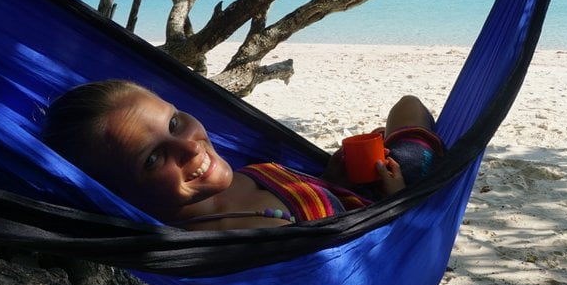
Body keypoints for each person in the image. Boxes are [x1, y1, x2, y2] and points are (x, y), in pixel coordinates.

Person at [41, 80, 444, 230]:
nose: (190, 146)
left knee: (406, 104)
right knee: (413, 115)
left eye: (176, 123)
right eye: (152, 159)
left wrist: (332, 181)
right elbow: (361, 260)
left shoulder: (221, 183)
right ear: (118, 196)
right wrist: (396, 201)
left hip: (358, 191)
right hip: (395, 208)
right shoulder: (234, 236)